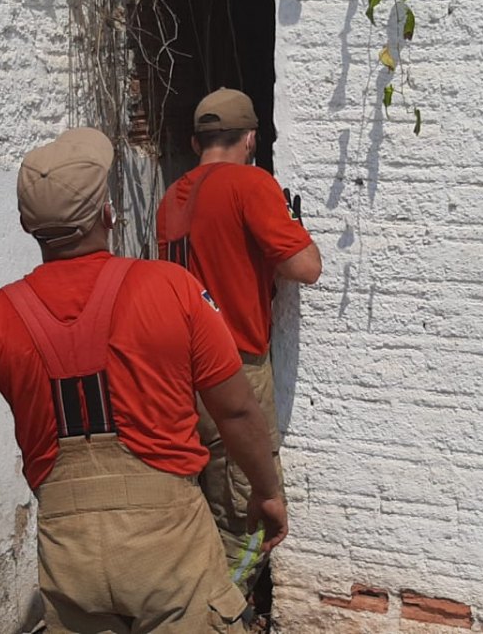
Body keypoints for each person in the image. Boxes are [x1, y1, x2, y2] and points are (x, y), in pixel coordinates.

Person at [0, 127, 288, 633]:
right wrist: (266, 493)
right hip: (169, 552)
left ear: (24, 225)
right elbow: (236, 411)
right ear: (107, 213)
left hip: (71, 557)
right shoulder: (173, 289)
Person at [156, 89, 322, 597]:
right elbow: (306, 267)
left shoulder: (171, 198)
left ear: (194, 141)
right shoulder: (253, 184)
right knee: (248, 515)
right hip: (236, 373)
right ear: (251, 139)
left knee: (203, 507)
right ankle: (217, 619)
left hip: (180, 374)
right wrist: (292, 220)